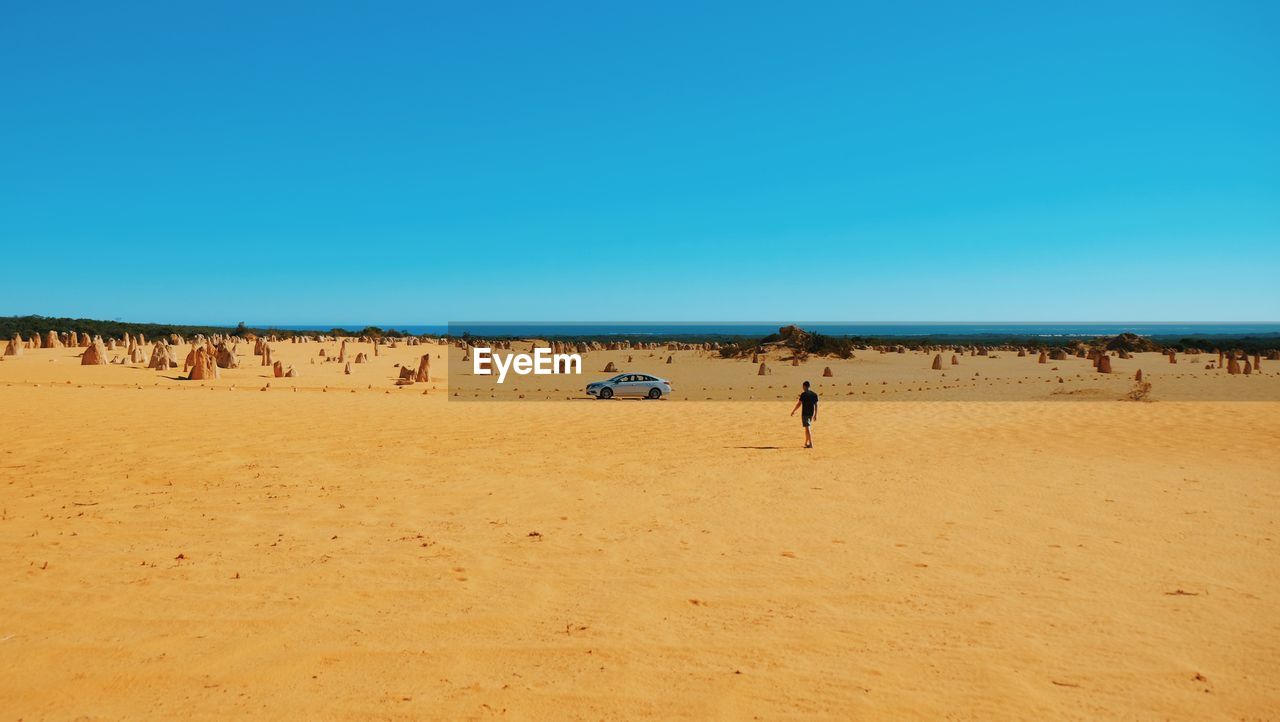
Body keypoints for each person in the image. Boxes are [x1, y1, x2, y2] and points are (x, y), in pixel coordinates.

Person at [790, 381, 819, 448]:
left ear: (805, 386)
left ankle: (811, 444)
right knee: (807, 428)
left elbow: (799, 404)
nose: (803, 388)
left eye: (803, 386)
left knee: (808, 427)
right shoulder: (814, 394)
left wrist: (794, 411)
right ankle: (806, 442)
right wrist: (815, 414)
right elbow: (816, 405)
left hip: (805, 413)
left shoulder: (803, 394)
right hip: (811, 413)